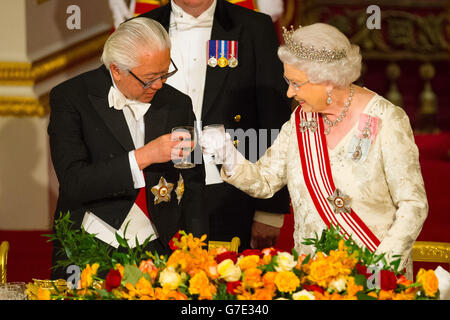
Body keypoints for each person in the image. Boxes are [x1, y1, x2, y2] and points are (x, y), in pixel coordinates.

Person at [200, 23, 428, 279]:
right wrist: (226, 154)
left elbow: (413, 204)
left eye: (296, 83)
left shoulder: (387, 119)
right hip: (312, 277)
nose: (289, 92)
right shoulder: (300, 120)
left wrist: (379, 269)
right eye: (288, 81)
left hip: (372, 277)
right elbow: (264, 181)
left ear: (328, 80)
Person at [48, 17, 205, 279]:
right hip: (90, 241)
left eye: (165, 73)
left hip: (159, 244)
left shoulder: (178, 103)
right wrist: (144, 157)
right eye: (149, 78)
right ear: (116, 69)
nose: (159, 85)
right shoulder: (70, 98)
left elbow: (194, 182)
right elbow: (74, 182)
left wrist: (197, 248)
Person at [140, 0, 291, 250]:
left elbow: (273, 117)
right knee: (151, 285)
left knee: (226, 284)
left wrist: (269, 210)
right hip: (155, 187)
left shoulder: (254, 26)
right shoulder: (139, 28)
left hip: (232, 190)